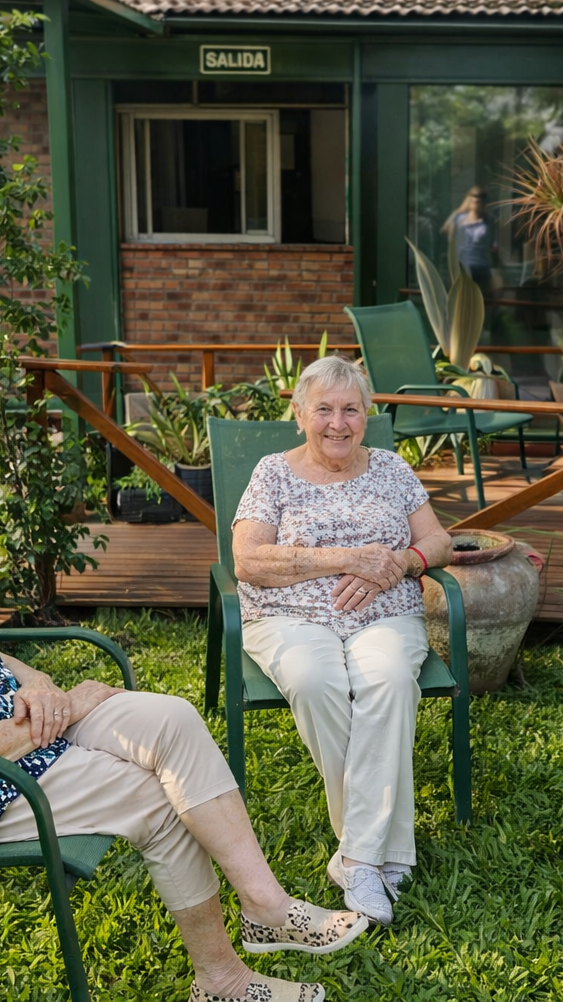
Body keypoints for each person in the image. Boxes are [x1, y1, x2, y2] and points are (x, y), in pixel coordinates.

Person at [0, 440, 365, 1002]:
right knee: (155, 798)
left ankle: (264, 905)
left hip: (25, 724)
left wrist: (39, 686)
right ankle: (223, 983)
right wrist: (65, 710)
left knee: (172, 719)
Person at [231, 355, 453, 927]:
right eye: (324, 409)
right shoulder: (273, 473)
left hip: (386, 614)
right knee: (314, 678)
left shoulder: (391, 468)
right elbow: (249, 559)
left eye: (350, 409)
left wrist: (401, 559)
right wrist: (349, 558)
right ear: (300, 413)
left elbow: (439, 541)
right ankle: (385, 850)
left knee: (388, 679)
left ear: (367, 414)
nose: (338, 422)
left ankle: (356, 857)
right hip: (288, 616)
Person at [439, 185, 496, 297]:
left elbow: (493, 245)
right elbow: (445, 230)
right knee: (461, 301)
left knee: (480, 302)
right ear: (469, 200)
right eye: (473, 198)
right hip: (462, 267)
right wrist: (458, 211)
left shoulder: (489, 220)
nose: (476, 201)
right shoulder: (460, 218)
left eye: (479, 199)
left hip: (482, 267)